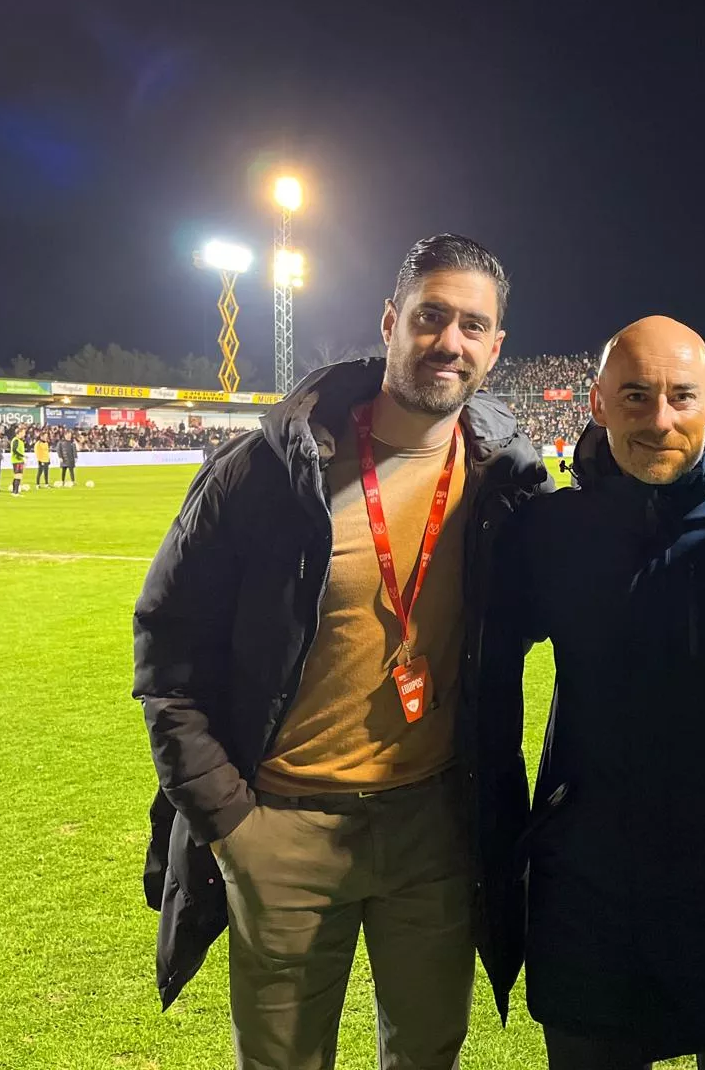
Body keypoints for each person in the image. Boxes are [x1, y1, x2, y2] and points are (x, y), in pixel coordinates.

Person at [133, 234, 549, 1069]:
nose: (450, 341)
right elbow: (167, 652)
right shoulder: (264, 471)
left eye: (474, 326)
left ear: (496, 349)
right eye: (432, 316)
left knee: (428, 1051)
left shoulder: (508, 480)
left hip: (433, 825)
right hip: (282, 823)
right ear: (391, 321)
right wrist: (231, 826)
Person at [477, 317, 705, 1070]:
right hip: (590, 889)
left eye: (681, 396)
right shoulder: (551, 531)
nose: (660, 419)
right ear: (598, 402)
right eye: (637, 396)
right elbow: (479, 668)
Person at [9, 427, 27, 496]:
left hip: (19, 460)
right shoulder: (16, 440)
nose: (24, 434)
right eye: (23, 432)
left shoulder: (20, 441)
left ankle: (15, 491)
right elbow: (14, 450)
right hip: (16, 460)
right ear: (19, 433)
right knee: (17, 476)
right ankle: (15, 492)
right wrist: (22, 456)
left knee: (18, 476)